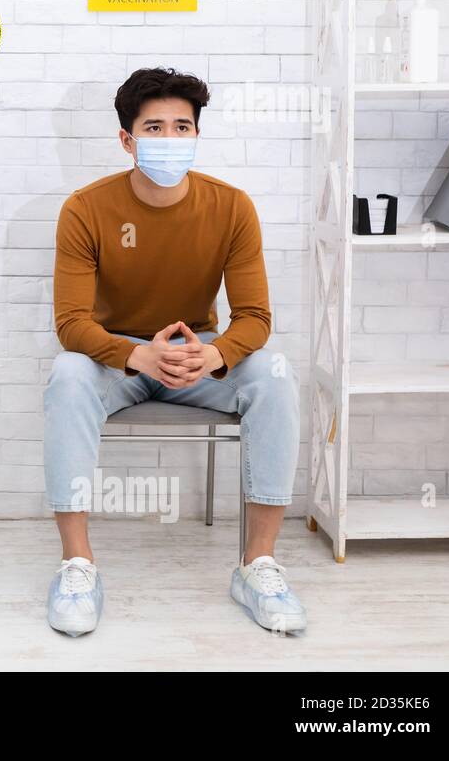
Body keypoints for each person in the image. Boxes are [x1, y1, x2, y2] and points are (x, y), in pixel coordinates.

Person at [43, 67, 305, 636]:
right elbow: (70, 323)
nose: (169, 138)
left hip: (198, 354)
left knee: (276, 375)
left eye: (181, 126)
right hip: (120, 360)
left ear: (196, 134)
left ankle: (256, 564)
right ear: (127, 139)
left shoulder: (231, 206)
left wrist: (213, 357)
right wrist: (137, 356)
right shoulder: (85, 209)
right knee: (67, 374)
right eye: (154, 127)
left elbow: (256, 319)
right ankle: (77, 565)